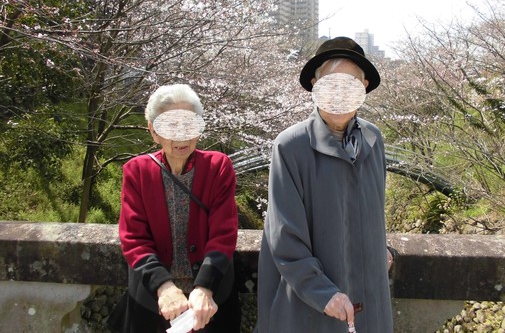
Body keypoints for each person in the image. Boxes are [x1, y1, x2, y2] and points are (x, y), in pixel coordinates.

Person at [255, 37, 394, 332]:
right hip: (311, 305)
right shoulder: (290, 146)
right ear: (315, 86)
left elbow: (374, 212)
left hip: (370, 294)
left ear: (364, 87)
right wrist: (323, 292)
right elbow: (284, 235)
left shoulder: (373, 139)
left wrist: (380, 247)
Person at [108, 84, 241, 333]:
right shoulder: (137, 171)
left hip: (210, 302)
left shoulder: (218, 167)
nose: (181, 135)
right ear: (154, 131)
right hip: (152, 301)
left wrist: (204, 287)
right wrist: (164, 287)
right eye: (170, 126)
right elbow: (134, 238)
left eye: (189, 124)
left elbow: (224, 233)